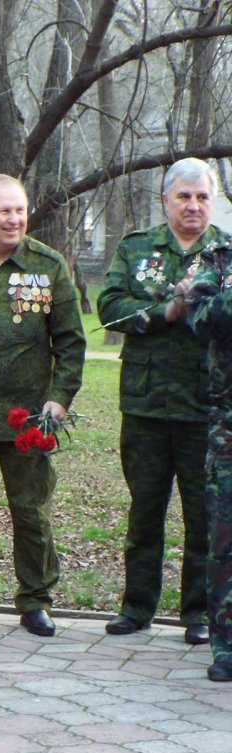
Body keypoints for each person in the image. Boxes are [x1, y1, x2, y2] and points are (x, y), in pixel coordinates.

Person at [0, 175, 86, 637]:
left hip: (28, 416)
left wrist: (59, 400)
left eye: (20, 210)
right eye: (4, 211)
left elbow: (71, 342)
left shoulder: (48, 266)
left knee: (32, 512)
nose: (14, 219)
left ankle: (35, 600)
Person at [97, 158, 232, 645]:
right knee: (145, 511)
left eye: (201, 197)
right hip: (146, 404)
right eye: (184, 196)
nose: (193, 206)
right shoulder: (137, 248)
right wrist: (163, 311)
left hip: (207, 408)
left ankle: (197, 613)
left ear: (211, 201)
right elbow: (109, 308)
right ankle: (136, 607)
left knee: (204, 517)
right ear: (166, 199)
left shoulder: (227, 253)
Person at [186, 254, 232, 680]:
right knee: (224, 542)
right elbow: (200, 317)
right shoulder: (220, 262)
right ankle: (226, 646)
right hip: (228, 433)